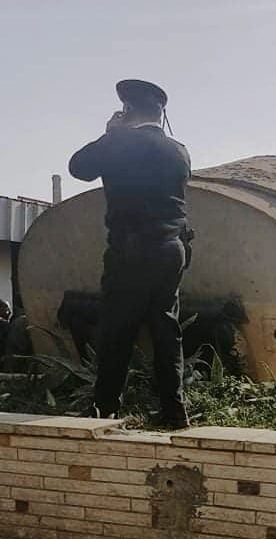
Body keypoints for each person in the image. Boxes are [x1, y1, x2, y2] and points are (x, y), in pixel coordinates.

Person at [69, 79, 193, 428]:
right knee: (166, 329)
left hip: (132, 250)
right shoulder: (179, 151)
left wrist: (110, 133)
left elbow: (78, 167)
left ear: (126, 110)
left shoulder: (118, 142)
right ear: (160, 113)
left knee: (117, 329)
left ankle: (105, 409)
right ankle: (174, 411)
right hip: (172, 249)